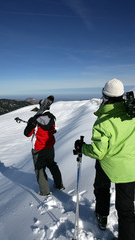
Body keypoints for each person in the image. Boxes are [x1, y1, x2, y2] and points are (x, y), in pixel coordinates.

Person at [74, 78, 135, 240]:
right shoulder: (132, 114)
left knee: (102, 189)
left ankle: (102, 217)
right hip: (130, 167)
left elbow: (98, 152)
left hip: (107, 165)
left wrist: (82, 147)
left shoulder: (103, 122)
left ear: (105, 96)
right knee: (127, 209)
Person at [24, 97, 64, 196]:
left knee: (40, 169)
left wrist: (30, 124)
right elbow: (52, 129)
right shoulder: (52, 117)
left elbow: (27, 134)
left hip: (38, 148)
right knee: (52, 165)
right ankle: (59, 185)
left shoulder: (35, 120)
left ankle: (45, 192)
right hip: (49, 146)